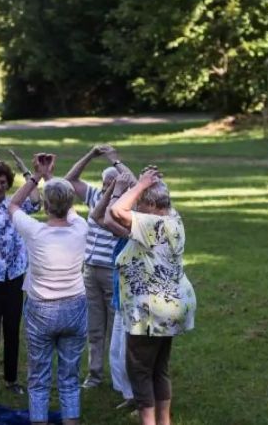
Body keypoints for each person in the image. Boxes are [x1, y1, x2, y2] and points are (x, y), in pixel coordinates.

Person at [106, 166, 196, 425]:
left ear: (154, 205)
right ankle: (164, 421)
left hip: (150, 311)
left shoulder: (152, 225)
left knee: (140, 371)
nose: (138, 209)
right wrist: (144, 181)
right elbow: (136, 206)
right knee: (159, 369)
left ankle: (149, 422)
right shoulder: (174, 218)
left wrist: (139, 185)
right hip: (172, 306)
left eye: (143, 203)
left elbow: (117, 211)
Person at [8, 153, 88, 425]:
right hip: (75, 307)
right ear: (70, 204)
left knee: (39, 378)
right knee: (70, 377)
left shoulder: (35, 231)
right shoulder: (81, 227)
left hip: (41, 309)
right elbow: (64, 200)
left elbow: (14, 203)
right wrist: (50, 176)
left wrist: (36, 176)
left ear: (44, 205)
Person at [64, 144, 133, 389]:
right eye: (106, 184)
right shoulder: (94, 196)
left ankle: (121, 377)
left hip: (113, 271)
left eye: (113, 184)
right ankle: (94, 374)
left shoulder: (125, 206)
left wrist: (116, 161)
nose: (107, 188)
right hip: (90, 270)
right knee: (94, 328)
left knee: (117, 329)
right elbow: (69, 180)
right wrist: (91, 155)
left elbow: (135, 182)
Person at [0, 150, 41, 397]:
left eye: (3, 182)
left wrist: (27, 169)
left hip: (14, 276)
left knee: (12, 330)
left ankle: (12, 380)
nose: (0, 186)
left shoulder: (16, 204)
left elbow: (36, 200)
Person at [89, 173, 135, 410]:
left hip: (134, 299)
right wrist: (113, 189)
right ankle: (129, 396)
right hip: (121, 294)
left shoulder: (136, 223)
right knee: (117, 352)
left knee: (128, 352)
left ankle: (139, 396)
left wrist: (119, 191)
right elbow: (98, 215)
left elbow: (105, 218)